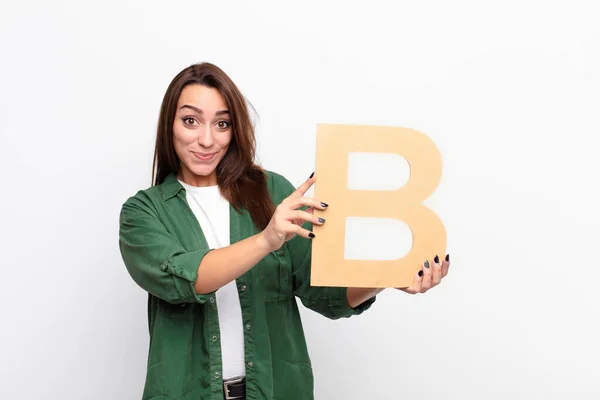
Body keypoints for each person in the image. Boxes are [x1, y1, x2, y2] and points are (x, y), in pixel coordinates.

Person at [118, 62, 450, 400]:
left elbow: (326, 293)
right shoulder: (143, 212)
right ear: (169, 125)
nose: (206, 139)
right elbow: (187, 280)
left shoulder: (272, 192)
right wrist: (266, 240)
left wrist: (388, 274)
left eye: (222, 124)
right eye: (191, 121)